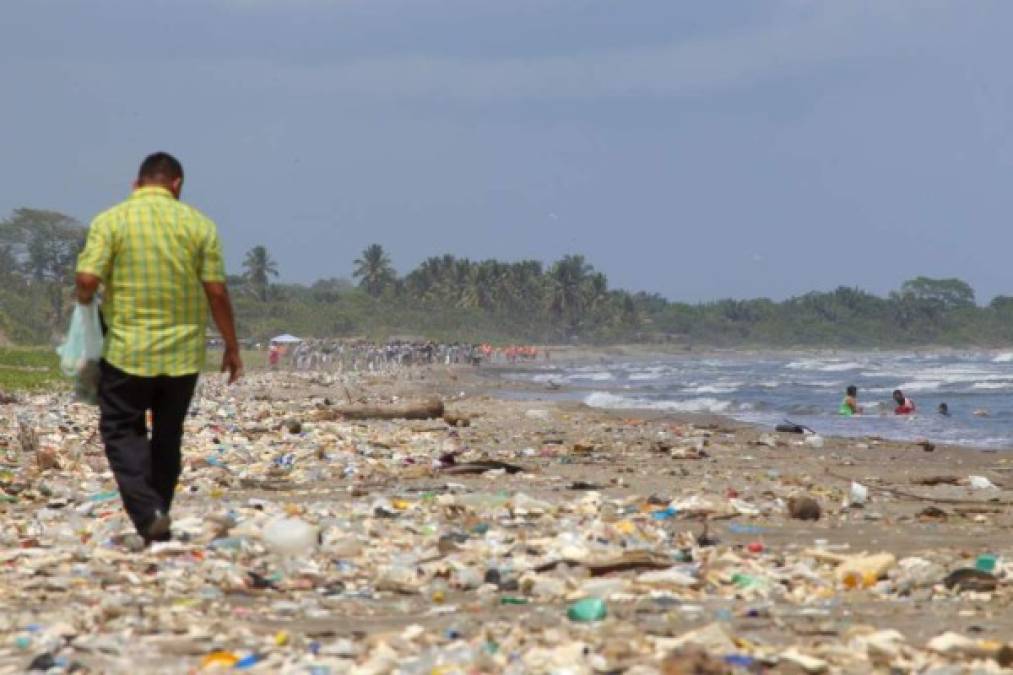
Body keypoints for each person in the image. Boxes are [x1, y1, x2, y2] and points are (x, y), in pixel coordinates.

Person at [75, 152, 242, 546]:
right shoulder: (200, 225)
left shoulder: (111, 221)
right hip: (182, 355)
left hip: (126, 352)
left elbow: (86, 280)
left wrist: (87, 309)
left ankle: (148, 514)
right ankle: (157, 515)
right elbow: (216, 291)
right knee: (168, 435)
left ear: (137, 184)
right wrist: (232, 347)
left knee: (120, 429)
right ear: (176, 184)